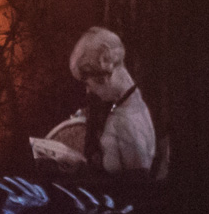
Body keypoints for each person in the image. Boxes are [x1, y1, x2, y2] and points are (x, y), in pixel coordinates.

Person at [37, 26, 157, 176]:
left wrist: (80, 166)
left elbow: (136, 185)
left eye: (86, 81)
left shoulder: (126, 119)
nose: (88, 90)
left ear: (104, 63)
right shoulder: (132, 106)